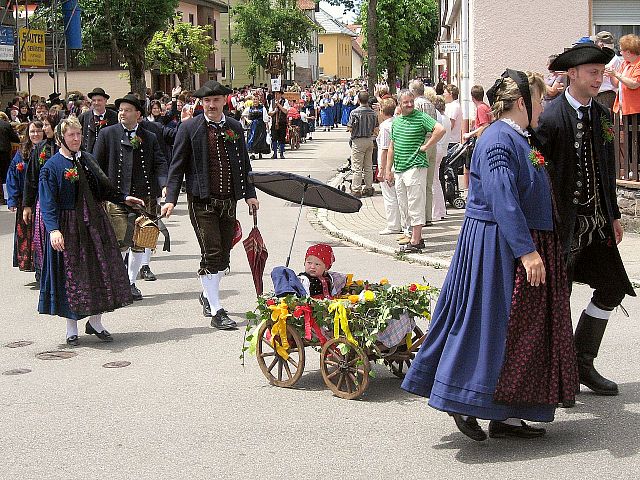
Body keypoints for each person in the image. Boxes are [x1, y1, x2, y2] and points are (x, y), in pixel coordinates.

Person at [402, 69, 578, 441]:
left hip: (510, 241)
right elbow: (503, 198)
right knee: (486, 324)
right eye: (539, 99)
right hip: (495, 245)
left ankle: (507, 415)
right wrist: (527, 251)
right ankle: (459, 397)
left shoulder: (514, 136)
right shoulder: (499, 140)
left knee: (517, 332)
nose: (543, 107)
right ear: (520, 103)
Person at [537, 43, 636, 397]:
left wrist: (614, 214)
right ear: (572, 74)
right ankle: (559, 376)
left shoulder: (602, 115)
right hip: (563, 227)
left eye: (601, 72)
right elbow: (538, 172)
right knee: (558, 297)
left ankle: (582, 361)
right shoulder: (549, 118)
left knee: (612, 287)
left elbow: (607, 166)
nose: (599, 78)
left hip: (597, 223)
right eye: (593, 73)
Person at [161, 80, 259, 330]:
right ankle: (217, 309)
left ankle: (207, 294)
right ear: (201, 103)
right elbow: (177, 166)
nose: (211, 105)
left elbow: (244, 165)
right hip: (201, 200)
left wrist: (250, 194)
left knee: (224, 256)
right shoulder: (189, 128)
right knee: (212, 253)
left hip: (229, 201)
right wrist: (170, 199)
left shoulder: (235, 126)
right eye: (206, 101)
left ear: (224, 101)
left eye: (215, 100)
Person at [37, 117, 145, 345]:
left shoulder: (87, 160)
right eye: (71, 135)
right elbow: (48, 203)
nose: (76, 139)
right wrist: (54, 230)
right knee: (72, 277)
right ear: (60, 139)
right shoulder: (52, 167)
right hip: (69, 226)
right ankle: (71, 328)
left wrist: (125, 198)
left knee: (101, 272)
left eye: (78, 134)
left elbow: (105, 188)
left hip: (95, 224)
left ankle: (95, 322)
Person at [93, 95, 168, 301]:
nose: (122, 113)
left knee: (140, 242)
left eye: (127, 110)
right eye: (121, 110)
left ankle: (131, 282)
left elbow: (160, 163)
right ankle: (119, 282)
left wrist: (164, 185)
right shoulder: (107, 134)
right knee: (121, 242)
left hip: (144, 198)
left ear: (138, 115)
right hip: (117, 197)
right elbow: (96, 166)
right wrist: (100, 193)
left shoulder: (150, 136)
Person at [386, 90, 445, 253]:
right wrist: (387, 169)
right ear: (400, 104)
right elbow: (392, 146)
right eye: (406, 102)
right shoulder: (396, 122)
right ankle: (412, 235)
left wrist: (426, 146)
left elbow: (440, 129)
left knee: (415, 203)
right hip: (400, 168)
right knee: (404, 204)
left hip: (416, 167)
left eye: (411, 101)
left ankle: (416, 240)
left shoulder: (420, 117)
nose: (410, 104)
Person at [7, 120, 44, 271]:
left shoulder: (49, 149)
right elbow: (12, 175)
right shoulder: (22, 151)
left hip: (42, 199)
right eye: (32, 131)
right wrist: (13, 199)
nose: (35, 134)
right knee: (27, 233)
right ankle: (30, 264)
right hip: (26, 199)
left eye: (38, 131)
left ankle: (42, 266)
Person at [608, 34, 640, 175]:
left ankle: (636, 168)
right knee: (627, 138)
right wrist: (611, 75)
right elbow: (616, 84)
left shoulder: (638, 64)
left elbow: (634, 84)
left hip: (636, 108)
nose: (620, 53)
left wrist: (617, 74)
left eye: (622, 50)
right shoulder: (624, 64)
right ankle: (631, 167)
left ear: (629, 51)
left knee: (636, 139)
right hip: (623, 107)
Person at [376, 98, 402, 235]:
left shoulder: (386, 126)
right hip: (395, 163)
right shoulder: (396, 122)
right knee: (397, 195)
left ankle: (393, 225)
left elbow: (385, 149)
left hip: (388, 165)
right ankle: (400, 222)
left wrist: (382, 169)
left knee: (390, 196)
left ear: (382, 111)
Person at [347, 91, 379, 198]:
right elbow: (376, 128)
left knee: (357, 167)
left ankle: (356, 189)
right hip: (369, 140)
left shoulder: (354, 113)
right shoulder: (373, 113)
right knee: (368, 166)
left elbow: (350, 128)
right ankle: (369, 188)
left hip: (358, 140)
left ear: (359, 100)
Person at [78, 87, 118, 154]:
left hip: (108, 154)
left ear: (105, 101)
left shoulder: (114, 116)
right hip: (89, 155)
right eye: (94, 100)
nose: (96, 103)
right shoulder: (84, 117)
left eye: (99, 100)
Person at [433, 95, 450, 220]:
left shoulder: (440, 117)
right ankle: (441, 210)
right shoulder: (445, 118)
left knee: (434, 181)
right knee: (437, 180)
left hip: (438, 148)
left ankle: (437, 212)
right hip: (442, 150)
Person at [595, 31, 623, 111]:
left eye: (596, 42)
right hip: (596, 94)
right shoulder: (598, 57)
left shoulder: (614, 60)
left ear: (601, 44)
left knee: (605, 122)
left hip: (606, 95)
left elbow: (617, 83)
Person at [0, 110, 20, 205]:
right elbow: (15, 138)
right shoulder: (6, 125)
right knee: (4, 175)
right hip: (4, 153)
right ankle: (6, 198)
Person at [243, 94, 271, 160]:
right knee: (252, 139)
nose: (255, 101)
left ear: (258, 100)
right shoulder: (249, 108)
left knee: (260, 139)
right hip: (252, 126)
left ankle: (259, 152)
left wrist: (267, 128)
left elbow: (265, 118)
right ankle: (252, 153)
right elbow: (243, 115)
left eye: (256, 99)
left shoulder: (262, 108)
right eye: (254, 99)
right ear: (252, 100)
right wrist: (247, 120)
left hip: (260, 126)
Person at [268, 90, 289, 159]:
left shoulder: (285, 101)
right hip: (274, 122)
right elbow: (270, 113)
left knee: (282, 138)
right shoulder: (272, 101)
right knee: (274, 138)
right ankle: (274, 153)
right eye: (275, 94)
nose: (276, 95)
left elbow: (285, 111)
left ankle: (282, 153)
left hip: (282, 122)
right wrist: (274, 111)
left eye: (277, 94)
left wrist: (279, 105)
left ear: (280, 94)